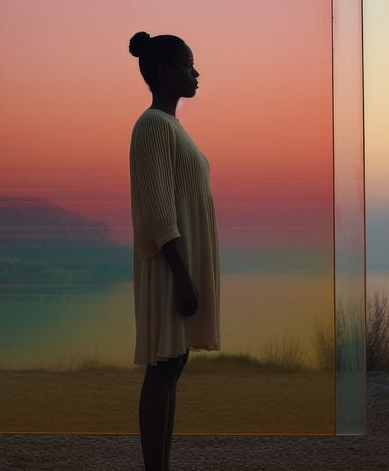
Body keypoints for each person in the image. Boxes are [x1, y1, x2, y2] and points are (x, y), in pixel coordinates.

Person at [128, 31, 221, 471]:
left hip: (179, 262)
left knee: (173, 367)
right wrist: (182, 276)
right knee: (163, 367)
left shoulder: (171, 127)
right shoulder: (151, 126)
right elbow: (158, 210)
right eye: (187, 64)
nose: (196, 72)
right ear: (164, 72)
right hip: (170, 265)